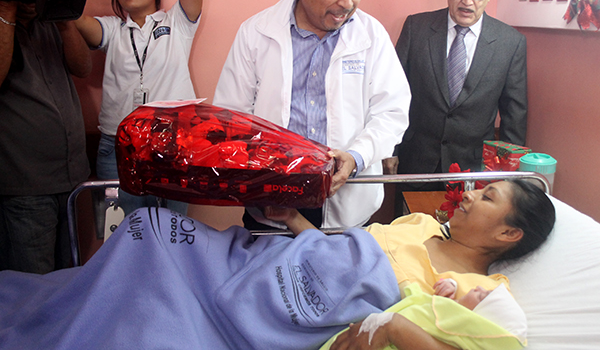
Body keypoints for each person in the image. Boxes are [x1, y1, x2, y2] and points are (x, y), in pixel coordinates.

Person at [0, 179, 554, 349]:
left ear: (509, 232)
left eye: (488, 197)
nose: (469, 194)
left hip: (290, 312)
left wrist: (396, 324)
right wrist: (291, 219)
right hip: (275, 259)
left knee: (145, 328)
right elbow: (335, 248)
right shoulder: (419, 224)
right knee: (149, 231)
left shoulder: (481, 291)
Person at [213, 0, 411, 229]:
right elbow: (231, 118)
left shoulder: (372, 36)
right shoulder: (256, 33)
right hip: (271, 203)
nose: (347, 3)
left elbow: (392, 112)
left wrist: (356, 157)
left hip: (347, 209)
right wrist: (262, 173)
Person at [59, 0, 204, 216]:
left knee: (171, 231)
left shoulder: (177, 23)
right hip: (117, 147)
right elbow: (72, 14)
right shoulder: (112, 29)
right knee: (123, 234)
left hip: (172, 144)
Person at [385, 0, 527, 183]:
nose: (467, 2)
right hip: (416, 161)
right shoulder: (416, 29)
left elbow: (514, 116)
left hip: (474, 169)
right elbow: (393, 94)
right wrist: (391, 149)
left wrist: (506, 175)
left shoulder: (510, 43)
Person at [0, 0, 92, 273]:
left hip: (72, 179)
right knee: (31, 284)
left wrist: (63, 18)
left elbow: (83, 67)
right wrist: (6, 8)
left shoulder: (48, 22)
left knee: (67, 275)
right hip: (25, 185)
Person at [322, 281, 527, 350]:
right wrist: (449, 293)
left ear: (476, 322)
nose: (478, 287)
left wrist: (389, 325)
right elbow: (423, 307)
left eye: (482, 296)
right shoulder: (445, 318)